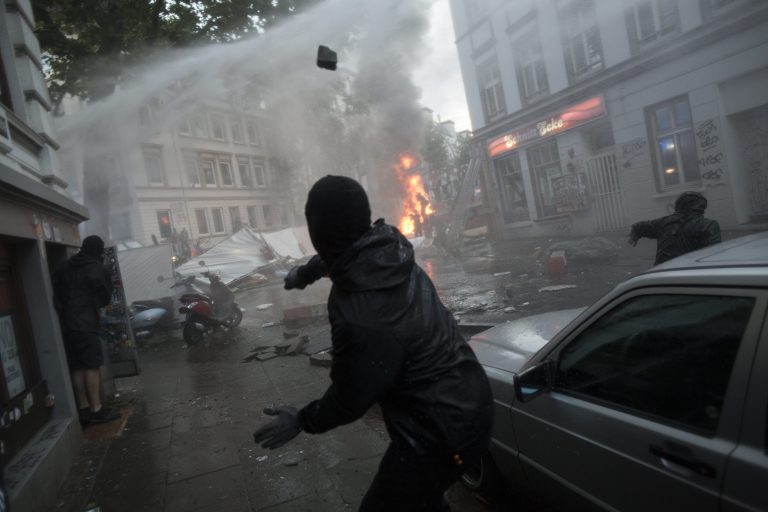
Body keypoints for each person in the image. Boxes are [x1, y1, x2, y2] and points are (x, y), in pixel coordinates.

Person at [254, 176, 494, 511]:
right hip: (468, 397)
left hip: (439, 434)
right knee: (423, 498)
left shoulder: (360, 318)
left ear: (317, 233)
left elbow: (349, 400)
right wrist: (304, 274)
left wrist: (301, 420)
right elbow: (339, 253)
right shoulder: (388, 247)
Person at [53, 235, 121, 426]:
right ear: (98, 250)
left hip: (67, 324)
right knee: (91, 365)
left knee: (77, 366)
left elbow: (56, 292)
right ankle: (97, 409)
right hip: (86, 323)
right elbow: (106, 297)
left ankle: (83, 409)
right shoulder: (97, 268)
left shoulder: (64, 266)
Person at [628, 191, 722, 265]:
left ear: (678, 205)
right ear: (702, 207)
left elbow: (639, 226)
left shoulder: (663, 222)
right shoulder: (708, 225)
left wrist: (634, 236)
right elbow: (713, 255)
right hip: (691, 274)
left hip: (662, 273)